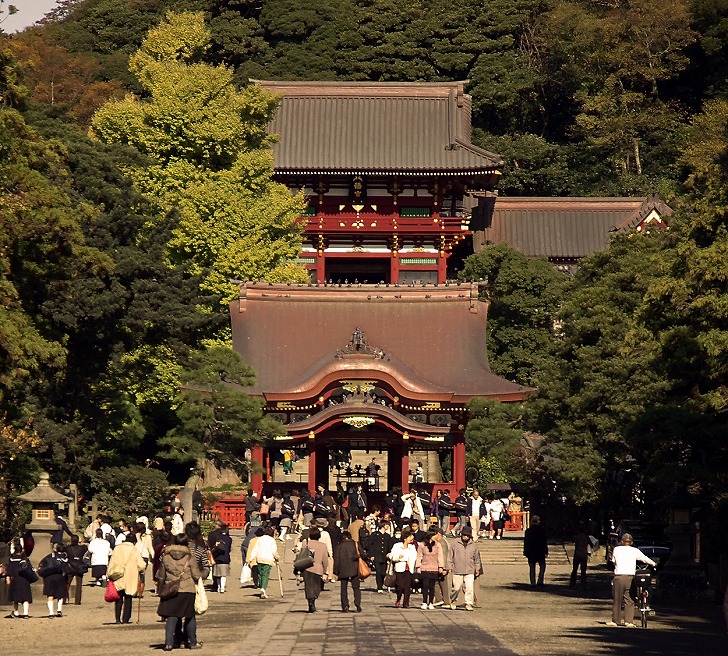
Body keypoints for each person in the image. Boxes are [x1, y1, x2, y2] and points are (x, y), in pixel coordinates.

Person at [157, 534, 204, 651]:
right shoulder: (190, 558)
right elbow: (196, 575)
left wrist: (160, 589)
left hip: (171, 588)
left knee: (172, 616)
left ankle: (169, 643)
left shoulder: (166, 556)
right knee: (189, 616)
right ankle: (192, 642)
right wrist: (205, 573)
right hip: (187, 589)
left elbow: (161, 575)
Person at [608, 532, 656, 627]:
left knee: (617, 599)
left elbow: (613, 561)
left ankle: (615, 621)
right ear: (631, 542)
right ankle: (629, 621)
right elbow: (644, 559)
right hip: (630, 577)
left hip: (619, 576)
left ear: (622, 541)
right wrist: (654, 564)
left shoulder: (617, 549)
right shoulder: (635, 550)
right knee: (630, 599)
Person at [107, 532, 146, 624]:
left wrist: (109, 574)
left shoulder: (117, 548)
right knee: (128, 597)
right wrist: (141, 571)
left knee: (118, 597)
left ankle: (117, 618)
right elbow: (141, 565)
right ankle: (126, 618)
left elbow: (111, 562)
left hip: (118, 574)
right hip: (130, 576)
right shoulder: (134, 550)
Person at [448, 526, 481, 611]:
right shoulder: (455, 543)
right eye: (464, 535)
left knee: (469, 587)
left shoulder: (473, 545)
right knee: (456, 588)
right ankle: (453, 600)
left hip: (470, 569)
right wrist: (449, 566)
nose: (465, 537)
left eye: (467, 535)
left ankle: (468, 603)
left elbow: (476, 558)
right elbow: (450, 556)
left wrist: (477, 568)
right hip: (457, 569)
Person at [301, 526, 329, 613]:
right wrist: (325, 570)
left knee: (308, 586)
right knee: (317, 586)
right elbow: (325, 559)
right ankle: (313, 599)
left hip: (307, 568)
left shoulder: (306, 544)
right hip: (318, 568)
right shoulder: (323, 546)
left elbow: (301, 556)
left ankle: (310, 600)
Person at [38, 542, 70, 618]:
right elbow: (67, 569)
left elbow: (41, 564)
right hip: (60, 577)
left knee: (50, 595)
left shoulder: (49, 556)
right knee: (60, 594)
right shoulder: (64, 558)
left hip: (49, 577)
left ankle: (51, 612)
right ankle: (59, 610)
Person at [333, 530, 362, 612]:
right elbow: (363, 553)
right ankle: (357, 603)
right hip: (354, 568)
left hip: (343, 569)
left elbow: (337, 560)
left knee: (343, 588)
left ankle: (345, 605)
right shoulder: (355, 544)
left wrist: (335, 571)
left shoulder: (339, 546)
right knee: (356, 587)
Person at [388, 527, 417, 608]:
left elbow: (414, 556)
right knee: (400, 586)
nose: (412, 540)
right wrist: (399, 557)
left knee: (407, 587)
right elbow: (392, 556)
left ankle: (406, 603)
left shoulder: (412, 547)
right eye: (410, 538)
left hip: (409, 568)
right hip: (399, 567)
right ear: (405, 538)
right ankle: (398, 597)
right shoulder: (397, 546)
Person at [247, 526, 279, 598]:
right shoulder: (272, 540)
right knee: (265, 574)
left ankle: (262, 589)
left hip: (259, 558)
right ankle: (263, 588)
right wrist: (277, 557)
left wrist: (251, 558)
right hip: (268, 558)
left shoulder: (260, 539)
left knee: (260, 574)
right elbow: (274, 550)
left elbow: (255, 549)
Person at [415, 530, 443, 610]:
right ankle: (424, 602)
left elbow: (440, 556)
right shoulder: (422, 545)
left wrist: (441, 566)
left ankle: (430, 602)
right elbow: (419, 556)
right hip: (425, 567)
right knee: (425, 585)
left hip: (434, 568)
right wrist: (418, 566)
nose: (435, 537)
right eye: (434, 535)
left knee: (432, 586)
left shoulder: (438, 545)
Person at [6, 540, 33, 619]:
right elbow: (30, 569)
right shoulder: (25, 560)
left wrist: (8, 578)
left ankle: (16, 612)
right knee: (25, 598)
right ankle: (26, 613)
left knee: (16, 598)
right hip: (25, 579)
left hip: (15, 580)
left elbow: (9, 570)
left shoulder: (11, 560)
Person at [369, 521, 394, 593]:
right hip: (377, 556)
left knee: (383, 572)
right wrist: (371, 555)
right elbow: (370, 545)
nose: (388, 526)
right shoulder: (374, 534)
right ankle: (379, 586)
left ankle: (382, 583)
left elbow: (389, 546)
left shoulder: (387, 536)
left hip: (384, 557)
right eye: (387, 525)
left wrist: (389, 553)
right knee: (378, 572)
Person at [523, 515, 549, 587]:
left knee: (532, 567)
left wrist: (525, 551)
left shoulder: (528, 531)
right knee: (542, 566)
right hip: (540, 550)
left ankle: (533, 582)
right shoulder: (542, 530)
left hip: (531, 551)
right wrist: (546, 551)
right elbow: (544, 542)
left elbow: (526, 542)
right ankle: (540, 580)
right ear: (538, 522)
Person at [208, 520, 232, 593]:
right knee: (223, 574)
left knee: (216, 573)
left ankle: (217, 585)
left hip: (216, 555)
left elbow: (210, 544)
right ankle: (222, 587)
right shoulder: (228, 538)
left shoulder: (212, 534)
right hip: (225, 557)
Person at [64, 534, 88, 605]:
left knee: (67, 583)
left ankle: (64, 599)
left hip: (70, 566)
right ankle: (77, 601)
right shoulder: (82, 548)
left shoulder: (68, 548)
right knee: (79, 584)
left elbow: (63, 548)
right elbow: (86, 548)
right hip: (79, 566)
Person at [570, 525, 594, 589]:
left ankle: (572, 584)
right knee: (583, 571)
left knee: (574, 570)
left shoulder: (576, 537)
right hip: (584, 554)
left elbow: (572, 540)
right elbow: (592, 544)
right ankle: (583, 585)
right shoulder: (586, 537)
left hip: (577, 554)